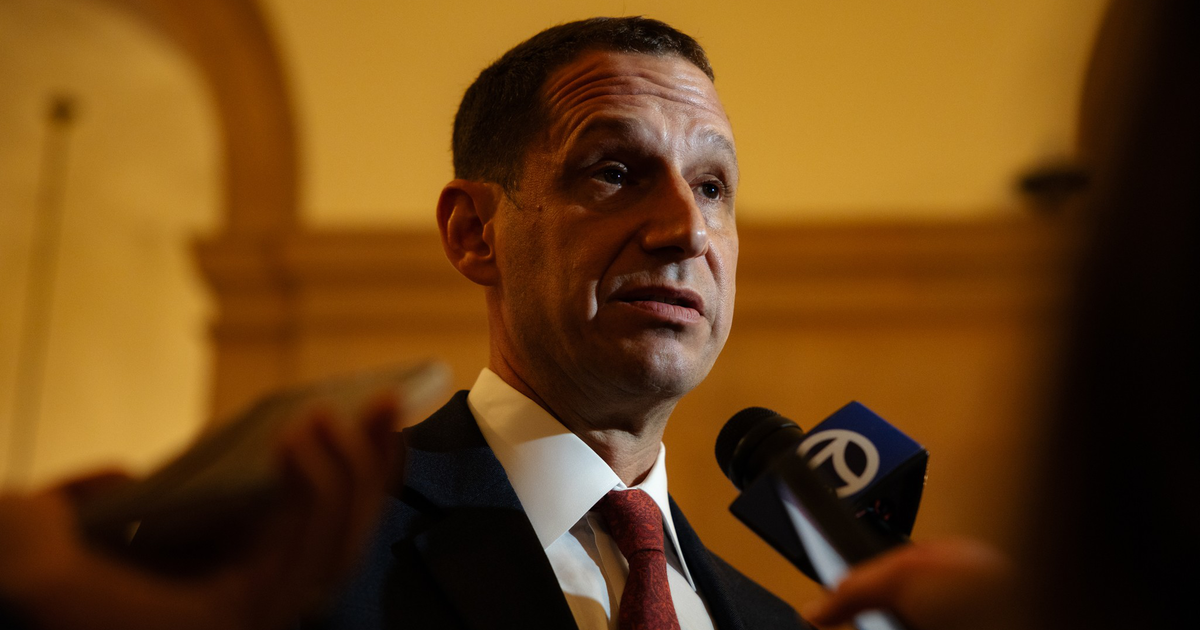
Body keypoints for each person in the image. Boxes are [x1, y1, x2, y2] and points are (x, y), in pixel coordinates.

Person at [310, 16, 807, 630]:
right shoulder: (304, 550)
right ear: (473, 233)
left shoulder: (778, 623)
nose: (687, 231)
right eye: (615, 174)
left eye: (710, 186)